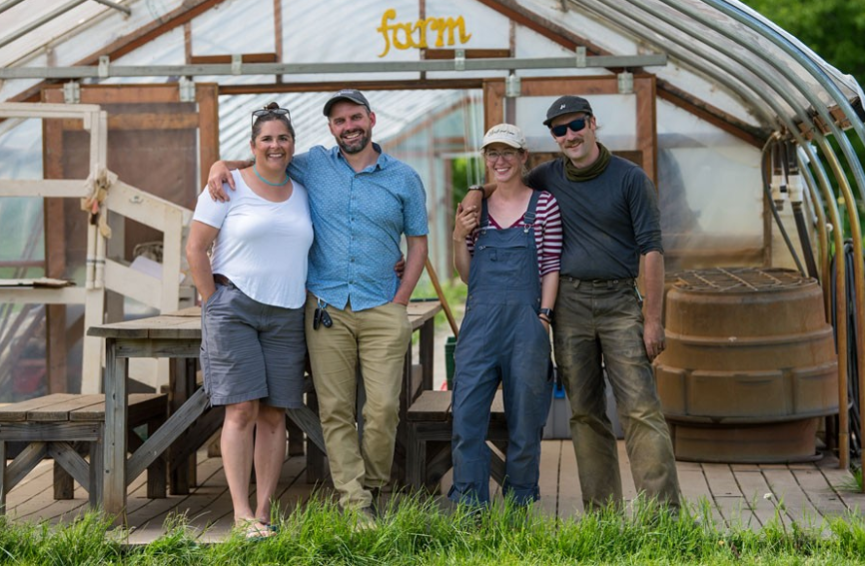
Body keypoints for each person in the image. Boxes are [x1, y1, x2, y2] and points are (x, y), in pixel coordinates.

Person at [207, 90, 428, 525]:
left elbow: (418, 243)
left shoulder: (404, 178)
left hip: (384, 303)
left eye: (355, 118)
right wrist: (219, 165)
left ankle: (374, 485)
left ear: (371, 120)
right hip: (326, 307)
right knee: (335, 411)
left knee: (382, 409)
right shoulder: (312, 164)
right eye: (339, 120)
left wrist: (402, 298)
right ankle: (356, 504)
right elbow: (262, 163)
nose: (348, 126)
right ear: (331, 128)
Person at [461, 96, 680, 513]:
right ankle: (603, 514)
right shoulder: (548, 176)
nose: (569, 135)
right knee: (585, 412)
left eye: (576, 125)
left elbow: (652, 251)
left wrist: (653, 319)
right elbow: (506, 182)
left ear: (593, 123)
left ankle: (663, 517)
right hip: (570, 304)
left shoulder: (630, 179)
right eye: (559, 130)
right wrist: (475, 193)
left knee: (640, 409)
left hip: (619, 303)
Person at [186, 103, 313, 539]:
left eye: (283, 138)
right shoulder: (227, 185)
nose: (275, 146)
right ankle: (240, 514)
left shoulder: (303, 189)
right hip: (234, 307)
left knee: (275, 414)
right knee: (241, 409)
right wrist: (213, 302)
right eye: (267, 139)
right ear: (253, 145)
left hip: (287, 311)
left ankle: (263, 511)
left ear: (292, 144)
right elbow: (195, 248)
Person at [450, 124, 562, 508]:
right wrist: (456, 235)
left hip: (526, 325)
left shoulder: (544, 205)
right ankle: (470, 508)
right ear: (485, 159)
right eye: (492, 153)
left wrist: (544, 317)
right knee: (466, 419)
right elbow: (466, 275)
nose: (500, 160)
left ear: (522, 158)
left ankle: (519, 507)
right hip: (479, 324)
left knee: (525, 423)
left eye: (507, 153)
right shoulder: (473, 208)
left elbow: (550, 266)